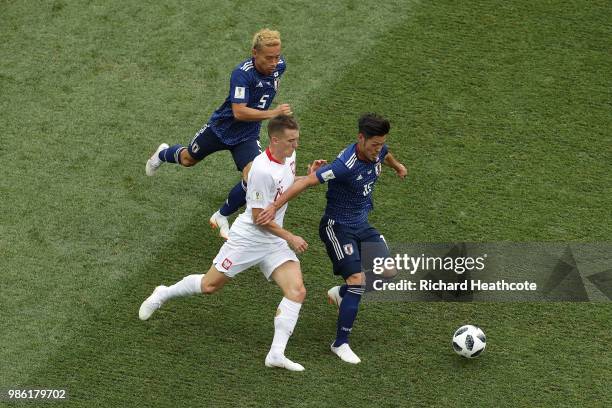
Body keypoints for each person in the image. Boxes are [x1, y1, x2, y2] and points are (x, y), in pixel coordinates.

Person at [140, 115, 326, 371]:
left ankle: (275, 354)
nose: (296, 146)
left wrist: (306, 178)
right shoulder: (260, 170)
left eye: (297, 140)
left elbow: (283, 187)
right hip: (248, 239)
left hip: (272, 241)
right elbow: (261, 218)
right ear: (275, 140)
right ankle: (163, 293)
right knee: (209, 286)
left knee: (297, 291)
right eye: (291, 141)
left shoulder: (289, 157)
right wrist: (290, 237)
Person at [256, 113, 407, 364]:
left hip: (362, 224)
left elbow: (386, 154)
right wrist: (274, 206)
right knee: (358, 280)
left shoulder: (378, 149)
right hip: (337, 228)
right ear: (361, 138)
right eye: (374, 145)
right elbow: (306, 183)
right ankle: (340, 343)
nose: (378, 150)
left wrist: (397, 165)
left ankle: (341, 294)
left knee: (387, 274)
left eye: (381, 144)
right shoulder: (343, 166)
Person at [145, 28, 292, 239]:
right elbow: (239, 112)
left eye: (277, 56)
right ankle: (162, 154)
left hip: (247, 136)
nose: (274, 62)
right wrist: (273, 113)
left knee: (253, 177)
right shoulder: (242, 74)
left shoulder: (280, 66)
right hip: (220, 129)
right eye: (269, 58)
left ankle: (222, 215)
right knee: (188, 159)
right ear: (254, 53)